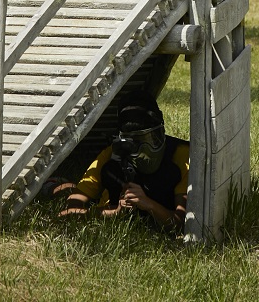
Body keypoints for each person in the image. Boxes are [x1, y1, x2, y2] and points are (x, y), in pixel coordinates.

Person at [58, 92, 189, 233]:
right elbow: (68, 214)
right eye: (133, 143)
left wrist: (148, 204)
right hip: (108, 209)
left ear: (162, 131)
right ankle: (55, 185)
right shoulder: (111, 156)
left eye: (151, 139)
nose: (144, 151)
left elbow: (181, 224)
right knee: (66, 189)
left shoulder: (183, 155)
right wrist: (115, 211)